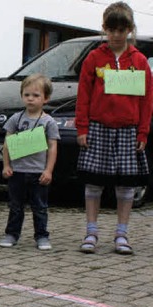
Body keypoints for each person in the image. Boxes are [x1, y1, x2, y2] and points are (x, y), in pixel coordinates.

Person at [76, 1, 153, 255]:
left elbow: (146, 99)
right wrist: (82, 128)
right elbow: (84, 95)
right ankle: (91, 232)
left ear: (130, 30)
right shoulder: (94, 58)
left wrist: (143, 131)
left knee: (126, 186)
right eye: (112, 30)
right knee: (94, 184)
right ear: (104, 29)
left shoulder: (140, 60)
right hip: (98, 128)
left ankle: (122, 234)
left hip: (129, 130)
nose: (117, 35)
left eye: (122, 30)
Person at [0, 74, 59, 250]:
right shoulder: (16, 119)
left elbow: (53, 147)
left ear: (45, 98)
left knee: (40, 207)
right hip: (17, 171)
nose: (30, 98)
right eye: (27, 95)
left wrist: (48, 170)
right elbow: (7, 143)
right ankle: (11, 234)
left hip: (38, 172)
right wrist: (6, 165)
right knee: (15, 206)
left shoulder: (49, 122)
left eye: (36, 95)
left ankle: (42, 236)